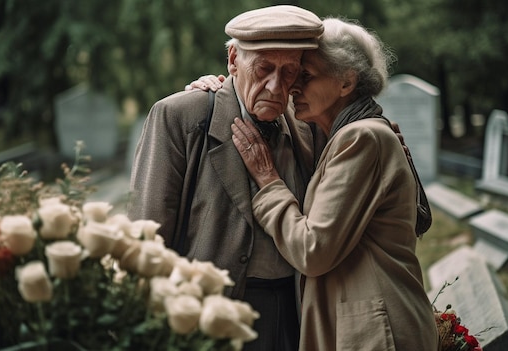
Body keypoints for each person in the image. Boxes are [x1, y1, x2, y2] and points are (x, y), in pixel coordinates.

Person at [228, 17, 439, 350]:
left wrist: (269, 182)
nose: (294, 87)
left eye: (306, 76)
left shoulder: (361, 137)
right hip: (365, 325)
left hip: (377, 332)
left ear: (346, 83)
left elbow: (313, 250)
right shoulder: (346, 134)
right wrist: (223, 82)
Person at [128, 5, 325, 350]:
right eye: (264, 68)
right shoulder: (181, 117)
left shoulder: (307, 125)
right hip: (209, 318)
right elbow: (147, 237)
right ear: (233, 60)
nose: (276, 86)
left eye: (289, 71)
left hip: (296, 312)